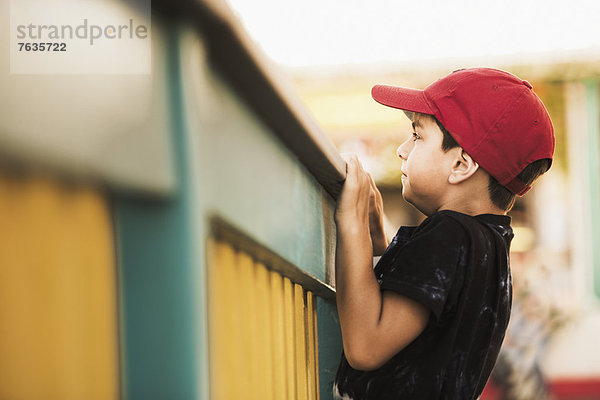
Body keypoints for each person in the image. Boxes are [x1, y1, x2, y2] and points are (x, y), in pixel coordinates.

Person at [332, 68, 555, 399]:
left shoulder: (448, 232)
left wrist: (350, 223)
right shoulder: (489, 246)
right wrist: (378, 237)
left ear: (461, 165)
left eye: (418, 136)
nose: (402, 150)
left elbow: (366, 346)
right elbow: (415, 313)